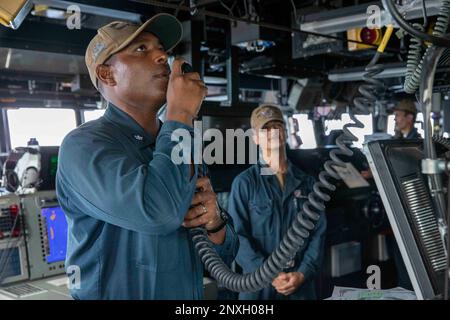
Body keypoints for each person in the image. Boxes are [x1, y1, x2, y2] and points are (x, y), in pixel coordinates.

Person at [56, 14, 237, 300]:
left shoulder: (180, 139)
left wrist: (214, 222)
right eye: (141, 49)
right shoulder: (83, 146)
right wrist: (181, 114)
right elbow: (158, 212)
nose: (162, 56)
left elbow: (222, 257)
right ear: (107, 74)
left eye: (161, 48)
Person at [228, 104, 327, 300]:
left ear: (285, 132)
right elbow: (236, 237)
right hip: (257, 286)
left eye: (278, 126)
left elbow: (318, 233)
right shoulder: (245, 183)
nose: (273, 132)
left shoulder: (307, 182)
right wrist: (269, 275)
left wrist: (303, 273)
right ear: (255, 138)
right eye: (265, 129)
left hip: (299, 285)